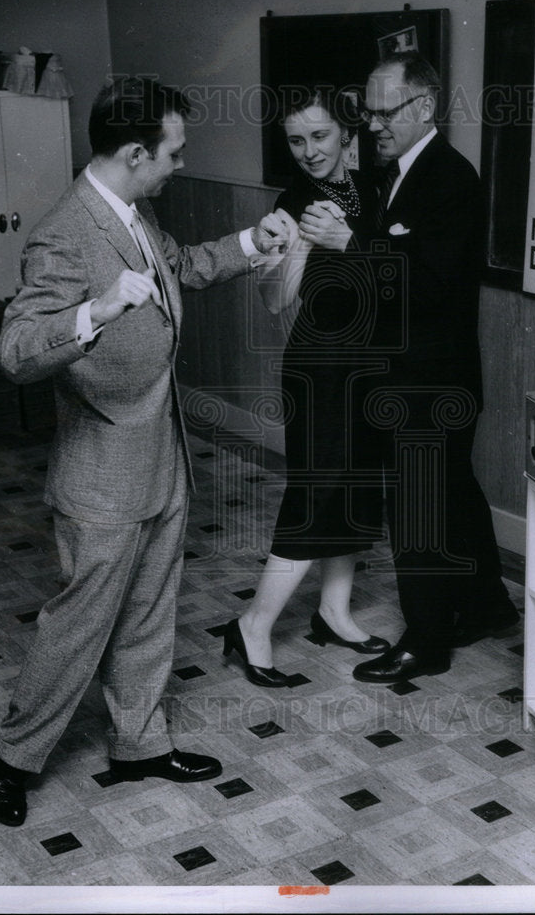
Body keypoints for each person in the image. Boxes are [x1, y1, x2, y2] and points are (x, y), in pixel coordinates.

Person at [0, 76, 287, 826]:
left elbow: (180, 269)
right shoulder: (64, 230)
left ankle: (139, 742)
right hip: (102, 474)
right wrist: (96, 308)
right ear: (134, 151)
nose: (180, 163)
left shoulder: (134, 212)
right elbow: (15, 351)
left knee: (151, 610)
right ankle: (9, 756)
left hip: (161, 454)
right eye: (173, 152)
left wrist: (255, 241)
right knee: (80, 623)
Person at [351, 53, 519, 684]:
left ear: (424, 108)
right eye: (366, 111)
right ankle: (486, 606)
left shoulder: (450, 177)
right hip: (411, 374)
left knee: (419, 506)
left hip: (431, 380)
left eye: (384, 111)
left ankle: (427, 640)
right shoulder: (394, 174)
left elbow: (429, 284)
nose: (372, 124)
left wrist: (355, 247)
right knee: (454, 493)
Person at [221, 86, 389, 687]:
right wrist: (298, 246)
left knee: (358, 488)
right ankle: (254, 625)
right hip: (320, 366)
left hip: (374, 364)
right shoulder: (292, 202)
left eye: (319, 136)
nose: (309, 150)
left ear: (347, 134)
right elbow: (274, 301)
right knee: (315, 492)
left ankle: (334, 611)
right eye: (296, 140)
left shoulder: (377, 187)